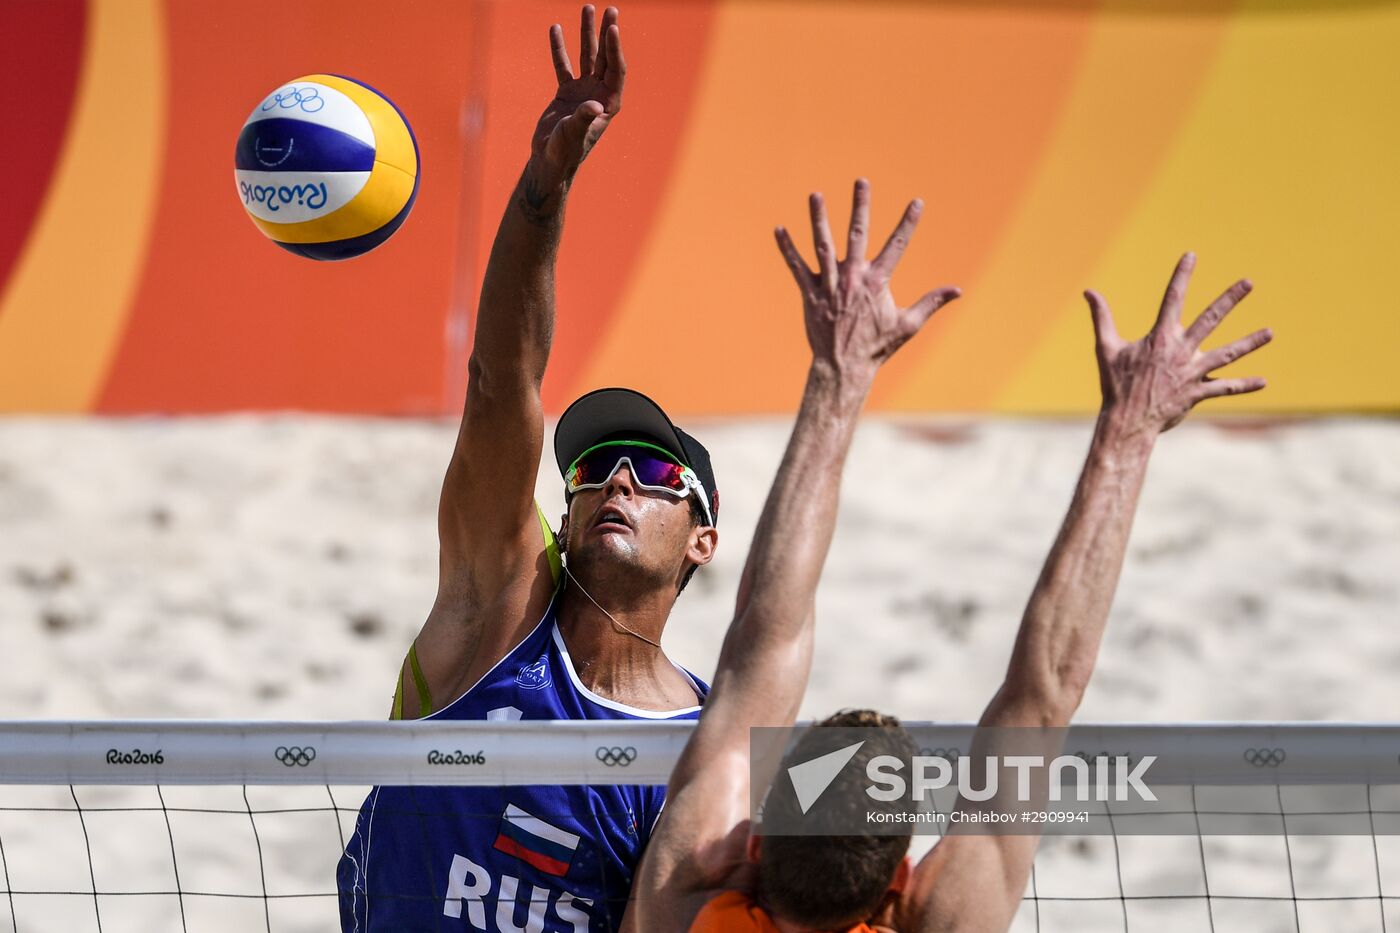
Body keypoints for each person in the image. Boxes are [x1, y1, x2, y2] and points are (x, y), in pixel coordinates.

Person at [335, 9, 960, 931]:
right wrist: (545, 187)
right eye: (594, 468)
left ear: (704, 540)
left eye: (654, 474)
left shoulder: (705, 757)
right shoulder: (492, 623)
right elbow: (498, 384)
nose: (616, 479)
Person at [625, 250, 1273, 933]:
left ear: (753, 845)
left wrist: (838, 375)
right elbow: (1043, 692)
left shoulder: (678, 906)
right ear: (900, 883)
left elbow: (764, 635)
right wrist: (1129, 433)